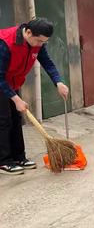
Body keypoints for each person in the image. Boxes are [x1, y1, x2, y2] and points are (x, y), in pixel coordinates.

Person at [0, 19, 69, 176]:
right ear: (28, 32)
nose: (40, 45)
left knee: (17, 119)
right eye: (38, 41)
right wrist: (16, 99)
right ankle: (4, 162)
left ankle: (19, 157)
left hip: (12, 83)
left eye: (43, 42)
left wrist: (58, 82)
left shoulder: (37, 42)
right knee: (3, 120)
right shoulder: (5, 42)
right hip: (1, 81)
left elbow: (47, 62)